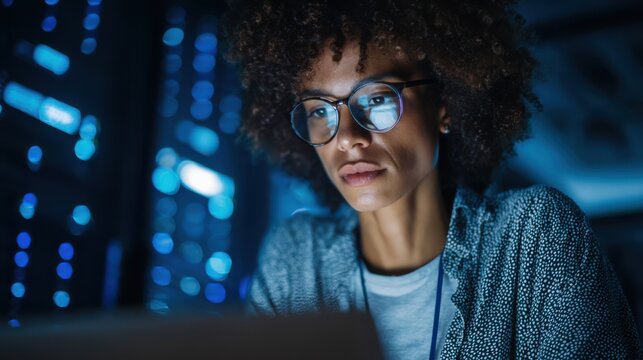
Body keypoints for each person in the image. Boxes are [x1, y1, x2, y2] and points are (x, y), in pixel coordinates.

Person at [222, 0, 642, 358]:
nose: (347, 138)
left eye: (378, 100)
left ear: (444, 106)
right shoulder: (295, 257)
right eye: (319, 110)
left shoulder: (534, 232)